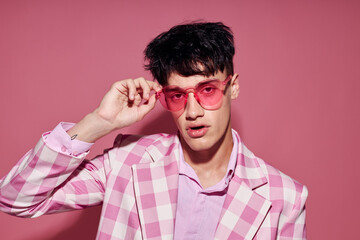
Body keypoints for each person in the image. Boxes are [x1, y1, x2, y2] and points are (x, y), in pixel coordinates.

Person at [0, 22, 307, 239]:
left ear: (233, 87)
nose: (193, 111)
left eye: (208, 90)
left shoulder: (284, 197)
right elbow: (15, 199)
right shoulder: (127, 163)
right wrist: (99, 122)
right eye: (177, 95)